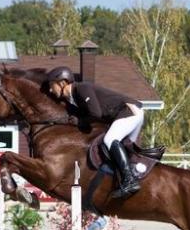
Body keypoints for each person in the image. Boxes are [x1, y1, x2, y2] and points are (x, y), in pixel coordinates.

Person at [45, 66, 144, 198]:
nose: (51, 90)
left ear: (62, 83)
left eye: (52, 85)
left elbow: (95, 113)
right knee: (125, 151)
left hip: (129, 111)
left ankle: (130, 181)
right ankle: (130, 179)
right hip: (130, 112)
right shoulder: (72, 99)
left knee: (110, 139)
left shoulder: (81, 88)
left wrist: (79, 121)